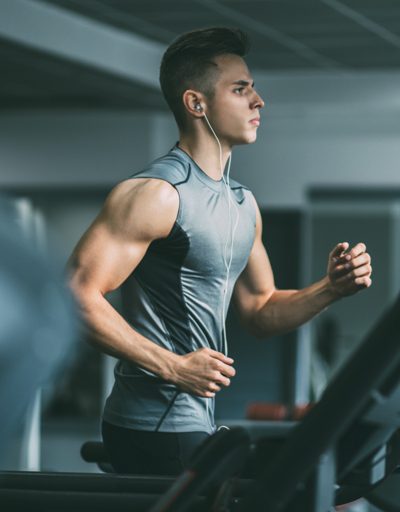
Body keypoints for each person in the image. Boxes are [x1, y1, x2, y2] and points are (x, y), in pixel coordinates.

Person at [68, 27, 372, 475]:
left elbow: (261, 310)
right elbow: (75, 295)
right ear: (197, 104)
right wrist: (172, 367)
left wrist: (331, 289)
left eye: (253, 87)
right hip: (153, 425)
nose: (258, 101)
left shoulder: (241, 203)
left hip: (196, 420)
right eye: (240, 88)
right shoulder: (158, 194)